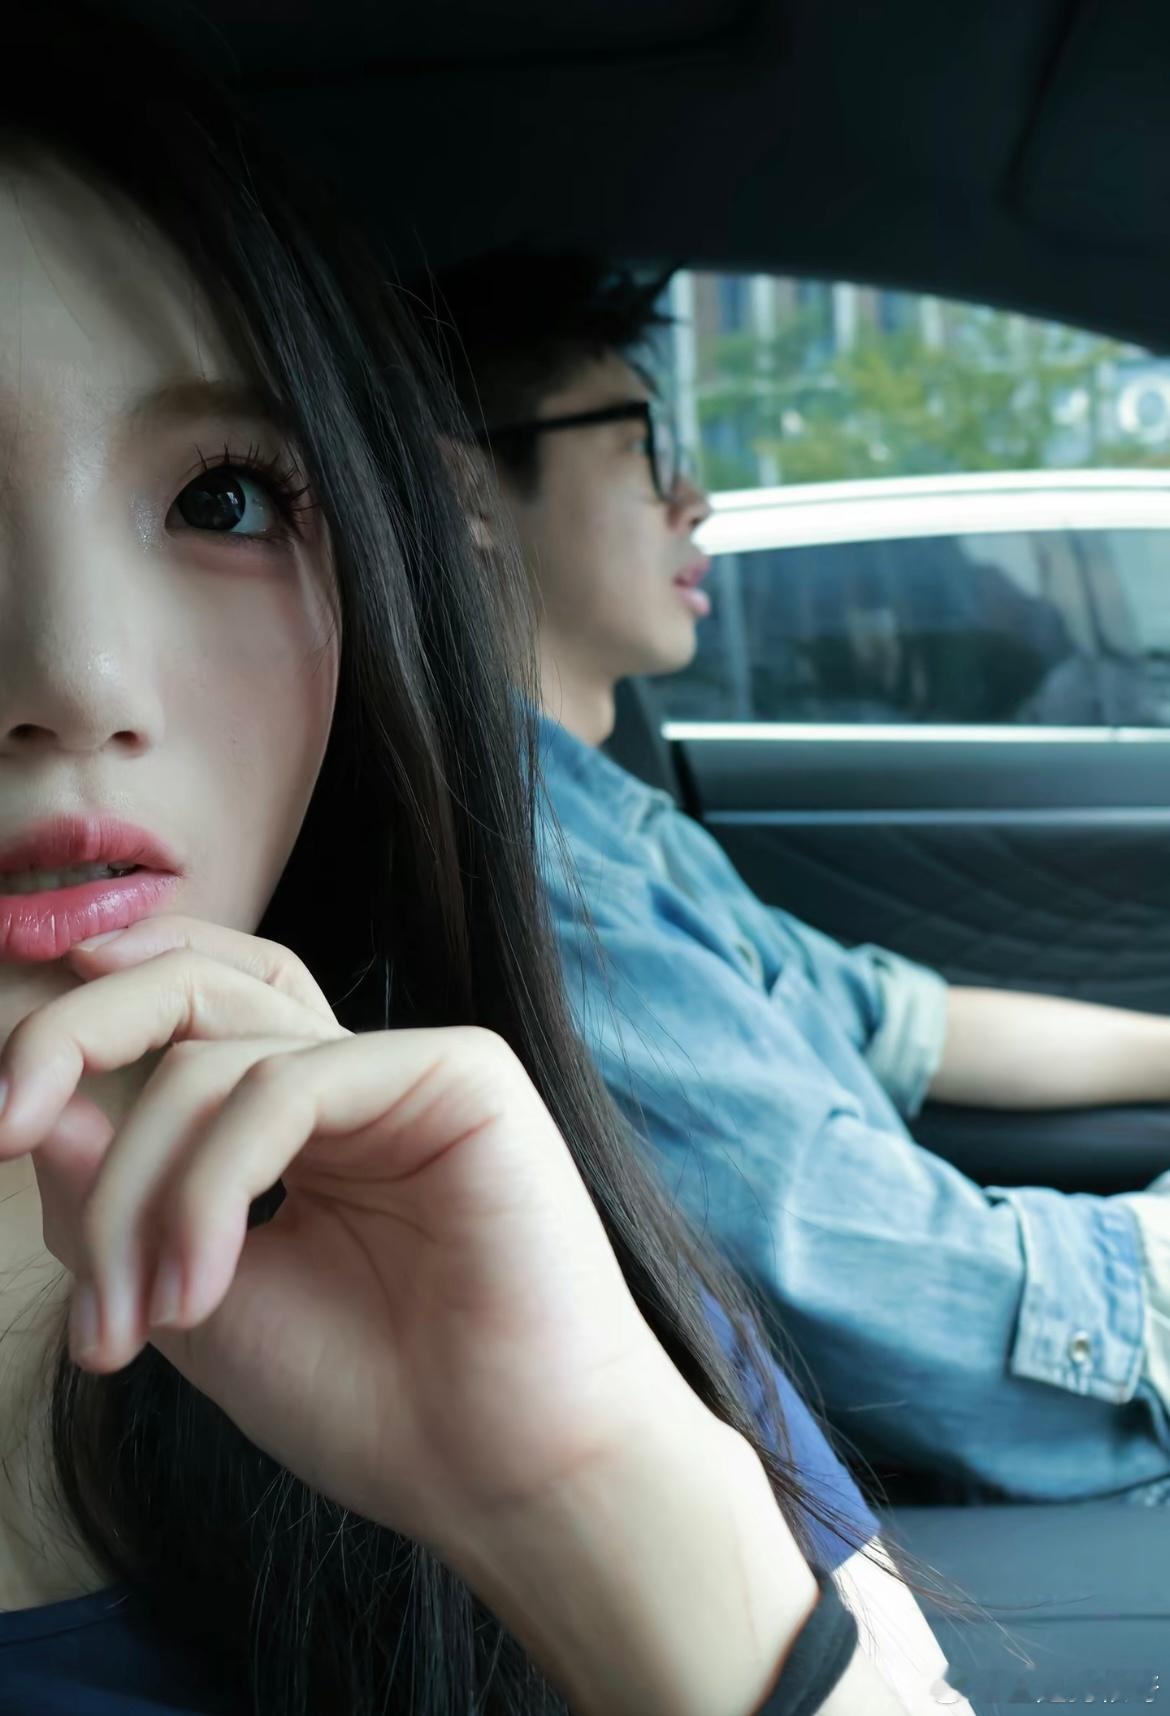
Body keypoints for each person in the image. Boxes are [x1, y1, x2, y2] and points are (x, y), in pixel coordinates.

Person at [0, 7, 972, 1716]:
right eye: (639, 449)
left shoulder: (510, 1228)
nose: (79, 675)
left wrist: (587, 1503)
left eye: (226, 500)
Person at [421, 249, 1170, 1505]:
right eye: (644, 451)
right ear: (466, 492)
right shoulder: (538, 883)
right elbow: (914, 1298)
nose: (696, 499)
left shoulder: (619, 832)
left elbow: (895, 1019)